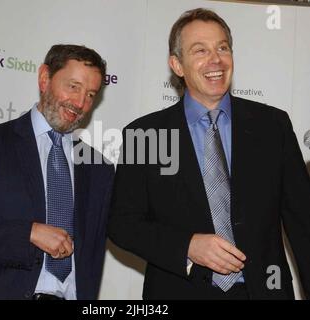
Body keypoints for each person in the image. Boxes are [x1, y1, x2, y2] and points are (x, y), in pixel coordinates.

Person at [108, 8, 310, 299]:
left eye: (222, 48)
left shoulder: (273, 126)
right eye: (200, 50)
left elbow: (303, 221)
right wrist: (187, 246)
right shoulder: (145, 133)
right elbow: (123, 224)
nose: (215, 59)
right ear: (177, 65)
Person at [0, 44, 114, 300]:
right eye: (73, 87)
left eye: (90, 94)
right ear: (44, 78)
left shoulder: (99, 169)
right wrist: (29, 233)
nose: (80, 103)